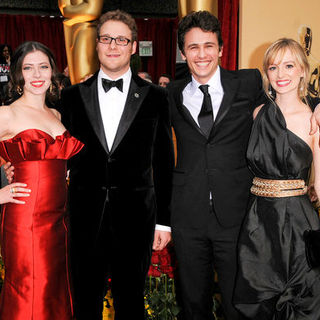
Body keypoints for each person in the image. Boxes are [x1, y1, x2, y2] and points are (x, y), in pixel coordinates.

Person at [59, 10, 173, 320]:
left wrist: (164, 221)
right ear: (96, 45)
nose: (113, 46)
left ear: (134, 46)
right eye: (106, 38)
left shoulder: (157, 97)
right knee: (84, 302)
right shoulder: (70, 97)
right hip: (83, 217)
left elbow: (163, 162)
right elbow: (58, 158)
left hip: (136, 217)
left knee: (131, 302)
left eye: (121, 39)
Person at [167, 10, 265, 320]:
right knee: (194, 304)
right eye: (193, 47)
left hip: (236, 215)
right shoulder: (169, 94)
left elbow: (282, 105)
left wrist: (315, 107)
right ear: (184, 53)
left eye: (209, 45)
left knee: (239, 305)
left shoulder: (248, 82)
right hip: (188, 215)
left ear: (221, 49)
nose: (202, 54)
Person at [233, 38, 320, 319]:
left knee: (302, 301)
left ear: (303, 71)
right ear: (266, 74)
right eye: (273, 67)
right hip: (258, 223)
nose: (281, 74)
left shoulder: (314, 118)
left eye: (289, 65)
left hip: (298, 225)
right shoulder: (258, 114)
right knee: (257, 302)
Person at [0, 41, 84, 319]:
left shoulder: (57, 115)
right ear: (17, 74)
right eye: (28, 68)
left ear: (53, 72)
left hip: (59, 222)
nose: (37, 75)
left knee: (53, 289)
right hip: (24, 221)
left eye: (43, 67)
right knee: (27, 289)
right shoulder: (6, 113)